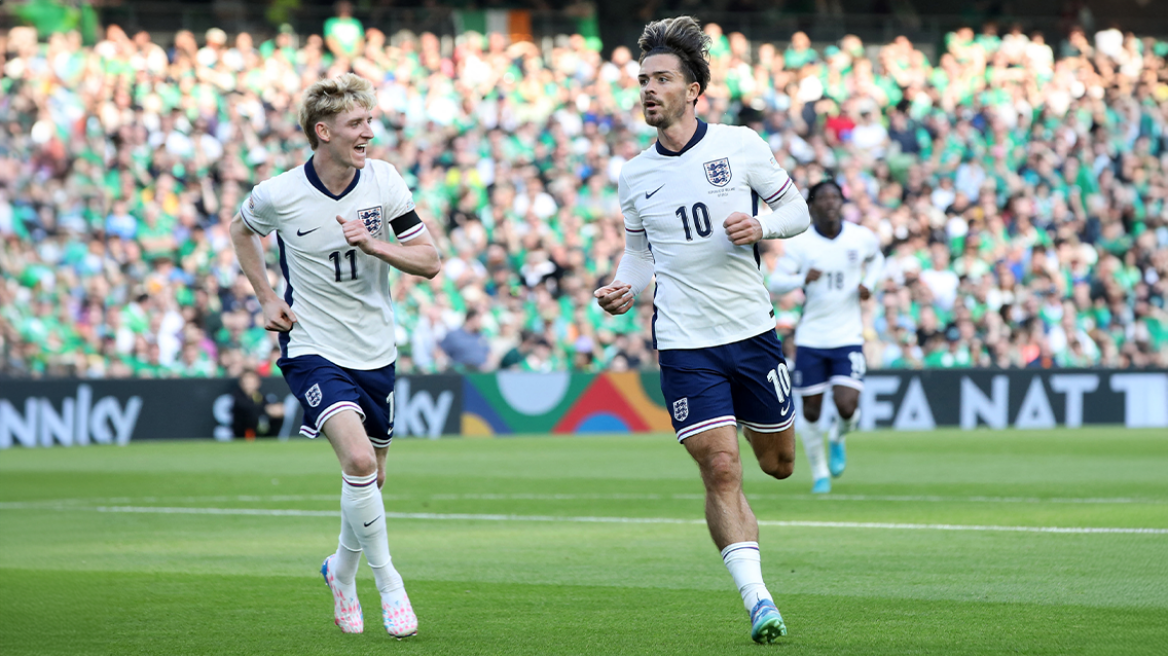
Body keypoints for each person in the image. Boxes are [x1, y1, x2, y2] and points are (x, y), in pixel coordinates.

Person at [593, 16, 810, 644]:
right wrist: (623, 288)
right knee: (720, 467)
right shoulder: (634, 174)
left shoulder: (740, 145)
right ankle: (758, 599)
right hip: (685, 342)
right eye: (643, 81)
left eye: (662, 79)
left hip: (751, 332)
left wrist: (761, 227)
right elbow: (638, 255)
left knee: (778, 464)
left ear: (694, 89)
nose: (649, 90)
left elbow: (794, 209)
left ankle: (764, 448)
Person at [229, 73, 441, 638]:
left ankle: (340, 572)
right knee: (359, 463)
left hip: (376, 348)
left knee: (371, 480)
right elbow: (240, 230)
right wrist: (267, 296)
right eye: (357, 123)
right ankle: (389, 582)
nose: (369, 132)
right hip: (312, 345)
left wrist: (375, 244)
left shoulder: (385, 181)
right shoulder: (279, 193)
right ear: (323, 132)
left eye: (370, 121)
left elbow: (429, 260)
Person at [768, 181, 884, 493]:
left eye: (835, 197)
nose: (831, 202)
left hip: (848, 336)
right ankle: (820, 472)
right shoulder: (802, 244)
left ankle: (838, 437)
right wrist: (800, 278)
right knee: (811, 411)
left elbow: (877, 259)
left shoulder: (860, 237)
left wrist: (869, 284)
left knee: (847, 407)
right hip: (812, 339)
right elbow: (775, 281)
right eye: (824, 198)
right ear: (812, 205)